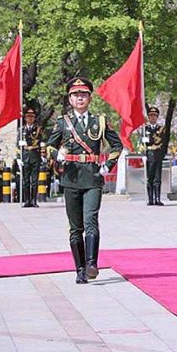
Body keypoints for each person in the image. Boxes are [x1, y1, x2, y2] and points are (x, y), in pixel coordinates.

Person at [46, 77, 123, 284]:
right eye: (75, 95)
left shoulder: (100, 121)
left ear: (89, 98)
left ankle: (91, 264)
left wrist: (108, 165)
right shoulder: (63, 123)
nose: (80, 98)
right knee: (75, 227)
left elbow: (117, 145)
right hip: (70, 178)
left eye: (83, 94)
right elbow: (49, 146)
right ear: (70, 99)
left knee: (91, 221)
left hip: (92, 177)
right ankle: (79, 269)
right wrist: (57, 156)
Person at [18, 107, 43, 207]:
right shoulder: (21, 129)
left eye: (32, 117)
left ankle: (33, 200)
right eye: (28, 116)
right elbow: (17, 144)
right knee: (25, 180)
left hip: (34, 155)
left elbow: (39, 141)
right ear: (25, 118)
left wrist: (27, 143)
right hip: (25, 156)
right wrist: (18, 157)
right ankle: (27, 200)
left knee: (34, 180)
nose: (30, 118)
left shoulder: (38, 129)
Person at [142, 106, 166, 206]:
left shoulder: (161, 129)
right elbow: (142, 143)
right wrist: (143, 151)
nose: (152, 117)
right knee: (149, 178)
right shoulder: (145, 129)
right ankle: (150, 199)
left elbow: (161, 141)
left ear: (157, 117)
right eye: (151, 115)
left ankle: (157, 199)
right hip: (149, 155)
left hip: (158, 155)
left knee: (157, 178)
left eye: (154, 116)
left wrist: (149, 141)